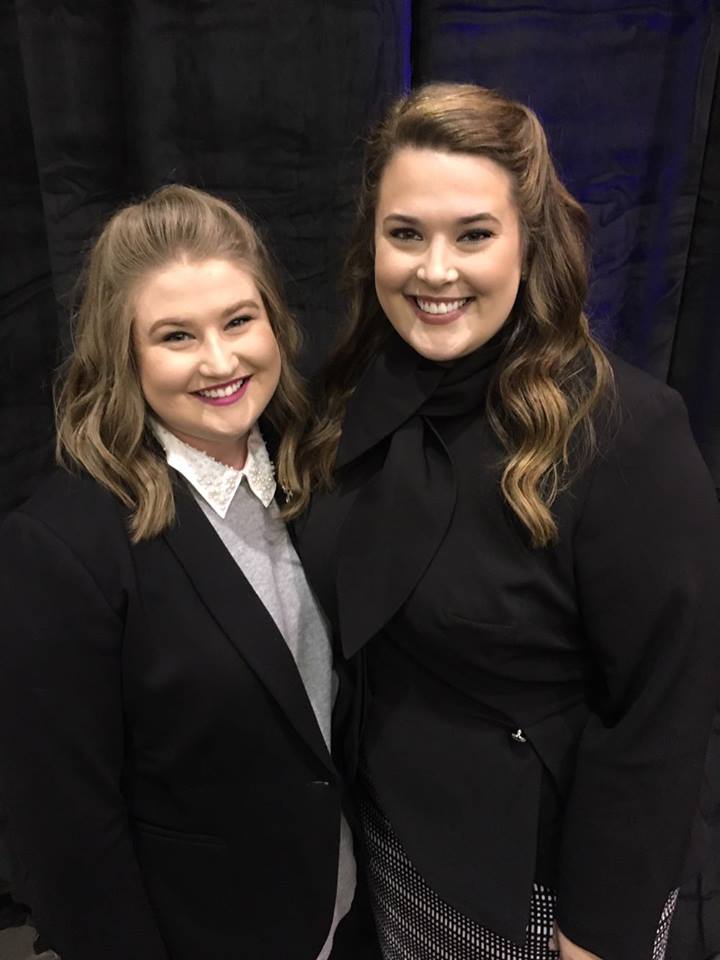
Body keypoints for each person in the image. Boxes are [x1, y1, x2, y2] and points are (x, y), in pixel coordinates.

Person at [294, 84, 720, 960]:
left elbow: (660, 709)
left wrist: (597, 935)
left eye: (473, 235)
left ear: (529, 240)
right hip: (389, 848)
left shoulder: (625, 432)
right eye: (405, 233)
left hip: (538, 890)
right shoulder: (357, 393)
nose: (435, 270)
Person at [0, 185, 366, 960]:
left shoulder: (318, 470)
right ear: (124, 355)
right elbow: (65, 833)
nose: (220, 361)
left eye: (238, 320)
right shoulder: (62, 545)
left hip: (350, 912)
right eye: (175, 336)